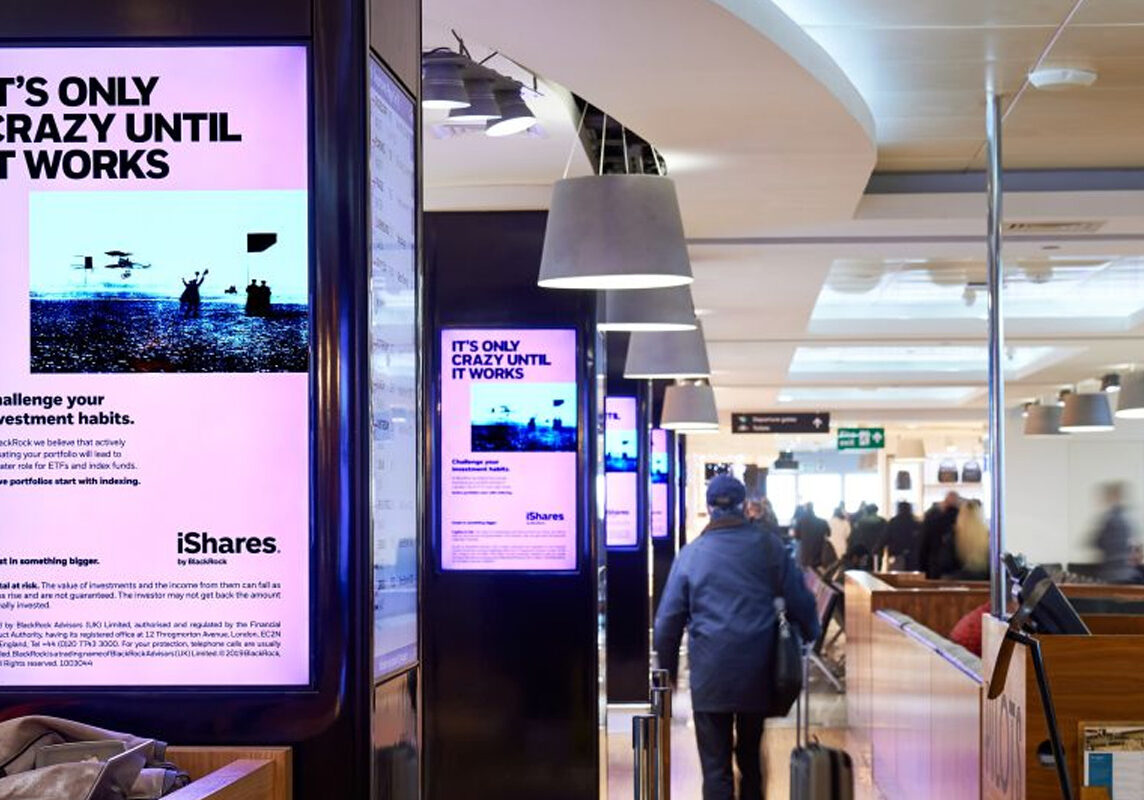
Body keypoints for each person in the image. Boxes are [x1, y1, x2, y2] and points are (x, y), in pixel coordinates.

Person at [654, 475, 819, 800]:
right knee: (750, 757)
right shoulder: (769, 546)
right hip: (757, 671)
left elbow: (666, 623)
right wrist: (810, 635)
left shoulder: (691, 554)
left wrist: (669, 671)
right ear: (744, 506)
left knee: (715, 768)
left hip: (710, 674)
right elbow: (800, 599)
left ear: (708, 507)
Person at [1092, 481, 1139, 583]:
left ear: (1113, 497)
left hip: (1112, 573)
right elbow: (1132, 546)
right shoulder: (1128, 519)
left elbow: (1097, 542)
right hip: (1127, 573)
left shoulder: (1110, 519)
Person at [918, 491, 961, 579]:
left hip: (936, 565)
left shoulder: (932, 519)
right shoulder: (963, 521)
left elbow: (924, 544)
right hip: (958, 569)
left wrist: (922, 567)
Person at [954, 499, 990, 579]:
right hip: (984, 584)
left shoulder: (954, 535)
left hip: (958, 583)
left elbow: (945, 564)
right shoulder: (988, 535)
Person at [884, 502, 921, 571]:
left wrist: (877, 548)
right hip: (912, 555)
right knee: (911, 576)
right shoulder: (915, 522)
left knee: (895, 575)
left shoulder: (893, 522)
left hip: (896, 553)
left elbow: (885, 537)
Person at [795, 502, 832, 569]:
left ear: (805, 509)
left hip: (805, 557)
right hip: (819, 557)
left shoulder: (800, 522)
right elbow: (829, 534)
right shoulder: (822, 522)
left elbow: (797, 537)